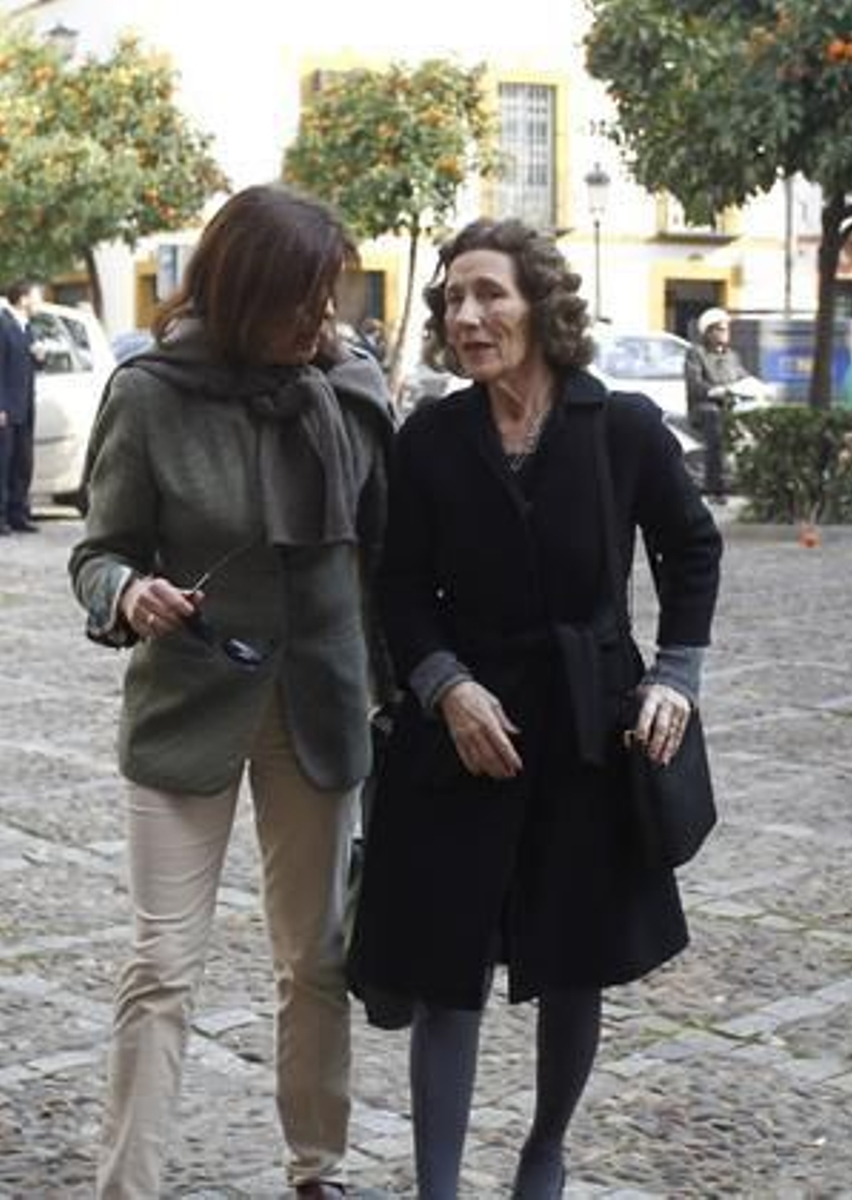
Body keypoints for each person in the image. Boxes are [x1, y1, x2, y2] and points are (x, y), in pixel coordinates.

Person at [346, 218, 721, 1199]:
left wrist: (675, 676)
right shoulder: (431, 437)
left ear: (540, 306)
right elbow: (398, 587)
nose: (467, 316)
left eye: (489, 294)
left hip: (586, 723)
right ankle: (436, 1187)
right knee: (443, 954)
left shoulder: (622, 427)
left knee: (573, 956)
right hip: (461, 726)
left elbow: (693, 548)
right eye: (453, 299)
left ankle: (545, 1147)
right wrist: (445, 686)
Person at [68, 185, 394, 1199]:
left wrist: (410, 684)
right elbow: (99, 552)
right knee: (161, 966)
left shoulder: (352, 389)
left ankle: (318, 1169)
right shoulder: (151, 394)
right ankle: (128, 1187)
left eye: (326, 298)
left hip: (321, 705)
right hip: (190, 706)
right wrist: (131, 593)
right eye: (299, 301)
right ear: (241, 289)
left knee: (316, 958)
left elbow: (387, 559)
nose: (319, 321)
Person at [682, 305, 750, 502]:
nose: (725, 333)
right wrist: (715, 391)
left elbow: (743, 378)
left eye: (726, 329)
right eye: (720, 329)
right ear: (708, 332)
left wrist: (756, 388)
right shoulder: (696, 354)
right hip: (704, 409)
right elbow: (695, 384)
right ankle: (714, 489)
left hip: (729, 407)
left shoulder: (732, 356)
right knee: (714, 421)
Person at [0, 280, 43, 533]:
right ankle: (1, 516)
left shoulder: (28, 328)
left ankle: (19, 513)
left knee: (23, 462)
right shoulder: (3, 325)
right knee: (3, 463)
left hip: (26, 406)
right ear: (23, 298)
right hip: (7, 407)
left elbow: (29, 367)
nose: (39, 302)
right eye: (37, 297)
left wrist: (39, 357)